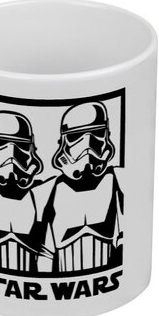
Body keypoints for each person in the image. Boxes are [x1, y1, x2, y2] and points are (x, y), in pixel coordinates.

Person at [36, 101, 123, 273]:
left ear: (107, 136)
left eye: (97, 133)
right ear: (63, 142)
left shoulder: (119, 180)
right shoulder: (48, 191)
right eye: (76, 136)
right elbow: (45, 253)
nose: (87, 145)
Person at [0, 111, 44, 272]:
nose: (11, 154)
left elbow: (46, 252)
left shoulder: (42, 193)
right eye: (1, 142)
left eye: (21, 145)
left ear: (31, 149)